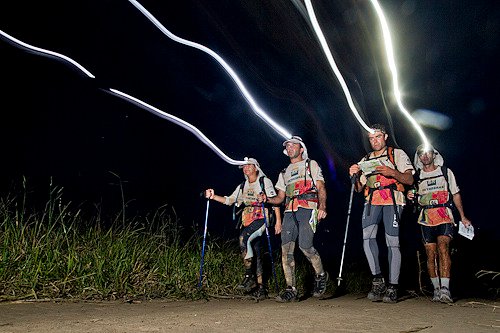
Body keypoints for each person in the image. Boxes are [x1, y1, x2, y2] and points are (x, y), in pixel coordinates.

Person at [348, 124, 414, 303]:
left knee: (392, 241)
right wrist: (353, 174)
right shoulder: (366, 159)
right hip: (372, 201)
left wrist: (391, 172)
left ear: (385, 137)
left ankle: (393, 286)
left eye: (377, 137)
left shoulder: (397, 154)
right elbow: (359, 188)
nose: (374, 141)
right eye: (371, 138)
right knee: (367, 238)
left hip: (393, 199)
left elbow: (409, 178)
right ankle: (378, 281)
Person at [260, 136, 328, 302]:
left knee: (306, 246)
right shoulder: (284, 172)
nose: (290, 148)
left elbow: (321, 186)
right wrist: (267, 200)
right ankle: (291, 289)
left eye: (293, 145)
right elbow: (280, 198)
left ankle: (321, 275)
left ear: (301, 148)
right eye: (287, 146)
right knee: (286, 250)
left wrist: (322, 206)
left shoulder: (311, 164)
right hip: (290, 210)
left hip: (309, 206)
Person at [205, 158, 281, 299]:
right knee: (256, 252)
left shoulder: (264, 181)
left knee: (243, 238)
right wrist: (213, 196)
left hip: (261, 219)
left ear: (256, 167)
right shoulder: (242, 186)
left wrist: (278, 222)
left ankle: (248, 275)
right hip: (248, 220)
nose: (245, 168)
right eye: (244, 167)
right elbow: (230, 200)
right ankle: (261, 288)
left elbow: (275, 201)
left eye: (248, 165)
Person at [407, 144, 472, 303]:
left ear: (433, 154)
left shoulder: (445, 172)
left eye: (427, 153)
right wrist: (410, 195)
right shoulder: (417, 176)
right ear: (419, 157)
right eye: (421, 154)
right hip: (426, 218)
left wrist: (462, 216)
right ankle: (436, 289)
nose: (425, 156)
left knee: (444, 248)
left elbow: (455, 194)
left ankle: (445, 289)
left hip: (444, 216)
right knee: (430, 254)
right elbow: (413, 194)